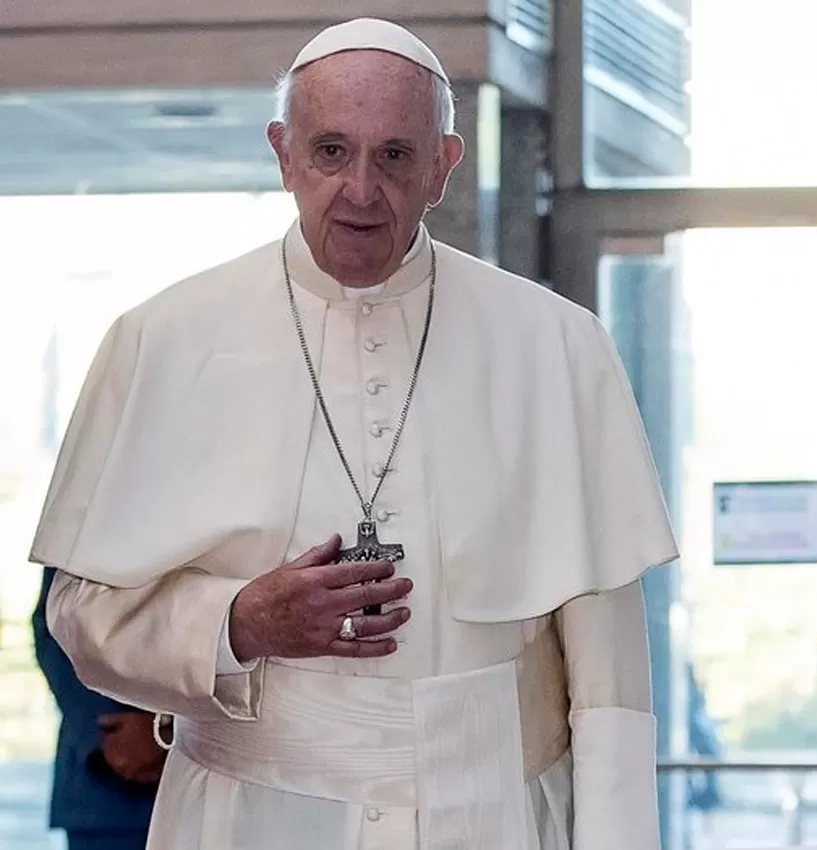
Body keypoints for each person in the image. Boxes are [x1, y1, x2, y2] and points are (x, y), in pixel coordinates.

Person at [30, 17, 678, 850]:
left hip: (498, 820)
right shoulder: (162, 338)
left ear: (444, 166)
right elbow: (81, 616)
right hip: (249, 818)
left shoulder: (556, 343)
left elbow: (610, 675)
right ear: (283, 152)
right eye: (331, 151)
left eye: (396, 155)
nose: (362, 190)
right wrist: (234, 623)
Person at [32, 566, 159, 850]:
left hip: (227, 778)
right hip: (109, 791)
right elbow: (54, 625)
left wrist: (171, 724)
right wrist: (106, 731)